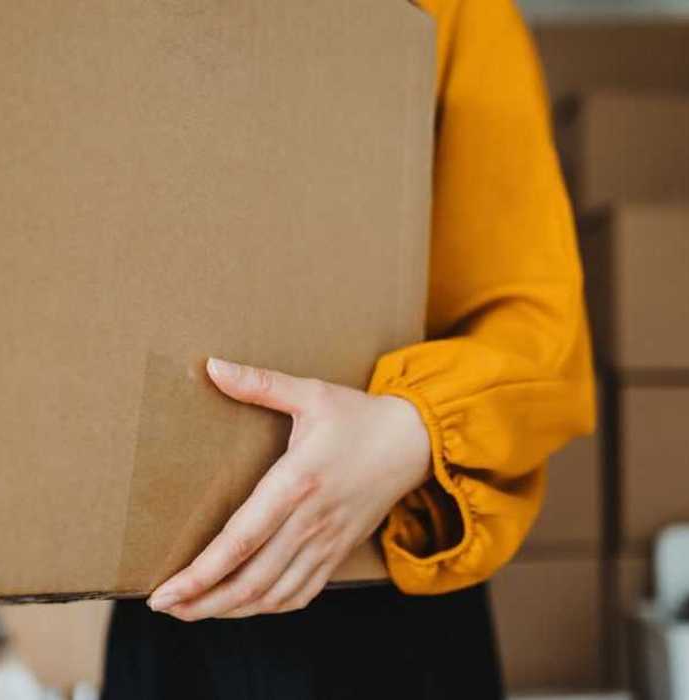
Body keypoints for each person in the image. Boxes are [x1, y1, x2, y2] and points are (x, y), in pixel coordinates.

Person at [101, 1, 595, 697]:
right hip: (165, 592)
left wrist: (409, 428)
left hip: (378, 569)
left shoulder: (454, 11)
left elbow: (537, 323)